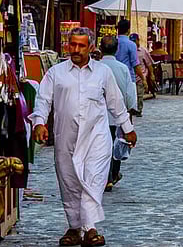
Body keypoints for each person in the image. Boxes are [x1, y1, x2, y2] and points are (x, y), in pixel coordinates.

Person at [30, 27, 136, 247]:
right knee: (69, 182)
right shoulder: (56, 73)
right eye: (73, 44)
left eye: (81, 45)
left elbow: (116, 103)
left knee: (94, 180)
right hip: (65, 137)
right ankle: (74, 227)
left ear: (91, 47)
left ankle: (90, 229)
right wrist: (39, 122)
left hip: (96, 137)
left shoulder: (102, 72)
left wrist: (127, 127)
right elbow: (43, 100)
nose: (76, 50)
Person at [93, 36, 137, 192]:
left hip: (98, 115)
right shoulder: (123, 68)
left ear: (100, 48)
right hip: (117, 114)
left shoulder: (96, 67)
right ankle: (112, 174)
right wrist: (130, 111)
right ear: (117, 49)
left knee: (101, 146)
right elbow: (129, 93)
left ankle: (107, 176)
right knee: (116, 143)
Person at [114, 20, 148, 116]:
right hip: (128, 77)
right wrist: (143, 79)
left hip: (113, 75)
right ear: (128, 30)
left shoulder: (113, 42)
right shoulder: (131, 45)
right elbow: (135, 64)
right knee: (129, 107)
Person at [130, 34, 155, 98]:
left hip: (140, 78)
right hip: (130, 78)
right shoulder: (129, 50)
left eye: (134, 41)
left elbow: (149, 64)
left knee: (139, 97)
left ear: (138, 41)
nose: (133, 43)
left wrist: (151, 74)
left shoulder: (143, 51)